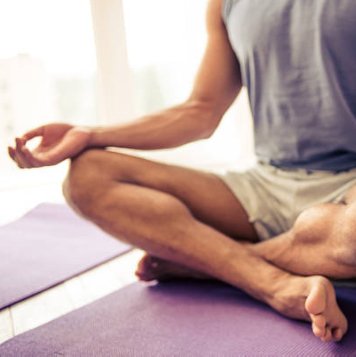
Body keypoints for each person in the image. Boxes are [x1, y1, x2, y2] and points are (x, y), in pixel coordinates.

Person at [8, 0, 356, 343]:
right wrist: (89, 134)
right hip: (266, 186)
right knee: (88, 176)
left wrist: (202, 259)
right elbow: (200, 111)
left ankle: (208, 264)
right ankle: (275, 283)